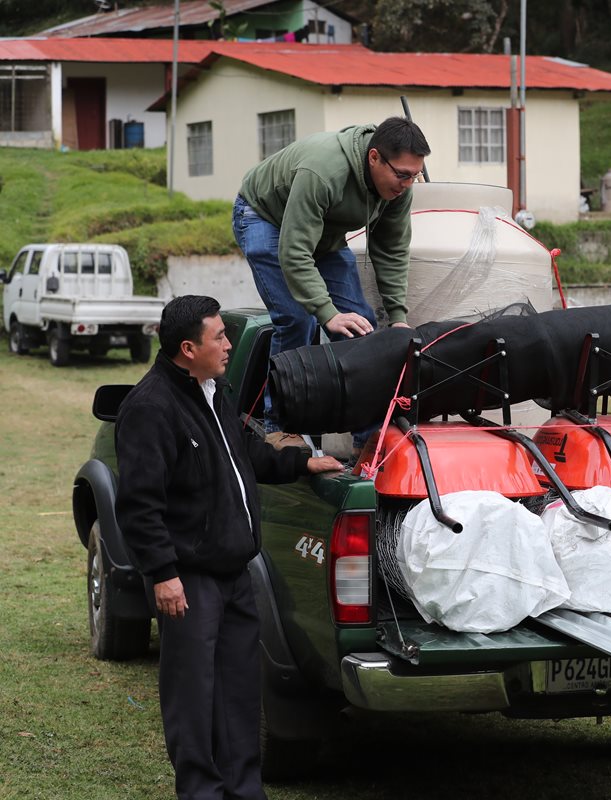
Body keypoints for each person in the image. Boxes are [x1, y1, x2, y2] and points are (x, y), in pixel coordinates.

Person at [115, 295, 342, 799]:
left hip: (237, 574)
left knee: (240, 694)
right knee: (193, 697)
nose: (229, 344)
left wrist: (301, 464)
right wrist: (163, 573)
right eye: (219, 336)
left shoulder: (216, 392)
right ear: (188, 347)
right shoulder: (150, 408)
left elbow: (248, 453)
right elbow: (138, 505)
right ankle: (200, 791)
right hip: (190, 581)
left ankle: (244, 790)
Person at [232, 116, 431, 448]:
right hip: (264, 216)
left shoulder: (398, 188)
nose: (407, 184)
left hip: (321, 232)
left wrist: (398, 317)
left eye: (415, 175)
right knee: (296, 318)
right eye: (402, 174)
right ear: (374, 158)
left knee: (361, 324)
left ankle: (367, 438)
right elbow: (295, 251)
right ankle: (281, 427)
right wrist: (326, 311)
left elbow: (391, 250)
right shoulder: (324, 171)